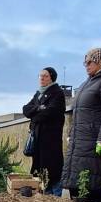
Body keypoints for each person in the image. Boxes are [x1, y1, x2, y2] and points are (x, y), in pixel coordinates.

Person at [60, 48, 101, 202]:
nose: (86, 65)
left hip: (94, 144)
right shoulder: (86, 84)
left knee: (92, 188)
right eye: (85, 62)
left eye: (90, 62)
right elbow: (76, 114)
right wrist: (70, 133)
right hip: (79, 143)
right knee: (76, 190)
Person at [22, 67, 66, 195]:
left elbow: (49, 112)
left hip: (50, 138)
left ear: (51, 77)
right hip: (38, 137)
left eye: (45, 76)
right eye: (40, 76)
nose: (42, 78)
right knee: (39, 166)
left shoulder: (57, 92)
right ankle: (43, 192)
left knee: (52, 168)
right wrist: (38, 108)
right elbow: (25, 109)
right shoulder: (38, 94)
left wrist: (34, 114)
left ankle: (55, 195)